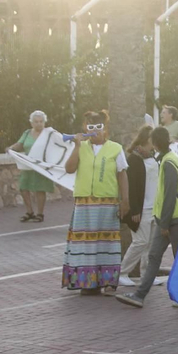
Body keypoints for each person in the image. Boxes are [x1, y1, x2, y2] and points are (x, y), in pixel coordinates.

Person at [116, 126, 178, 309]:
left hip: (174, 219)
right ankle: (139, 295)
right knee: (153, 256)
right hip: (166, 219)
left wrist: (164, 223)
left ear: (156, 143)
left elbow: (169, 195)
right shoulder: (167, 159)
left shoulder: (168, 162)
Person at [61, 110, 128, 296]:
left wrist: (125, 201)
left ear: (105, 129)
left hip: (107, 203)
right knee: (85, 245)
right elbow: (69, 168)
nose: (95, 131)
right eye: (90, 127)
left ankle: (107, 281)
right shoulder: (81, 147)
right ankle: (87, 282)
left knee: (105, 244)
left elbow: (122, 175)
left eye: (98, 127)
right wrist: (76, 146)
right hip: (85, 205)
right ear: (85, 128)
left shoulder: (115, 148)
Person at [119, 126, 156, 284]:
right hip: (142, 208)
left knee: (150, 244)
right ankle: (122, 273)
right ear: (147, 139)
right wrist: (134, 209)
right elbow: (131, 187)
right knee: (140, 242)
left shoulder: (154, 156)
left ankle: (146, 275)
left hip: (154, 206)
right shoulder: (134, 159)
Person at [8, 110, 53, 222]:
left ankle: (40, 214)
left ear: (44, 122)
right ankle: (29, 212)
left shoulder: (49, 134)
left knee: (40, 189)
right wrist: (11, 148)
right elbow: (20, 144)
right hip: (28, 165)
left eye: (41, 121)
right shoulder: (27, 133)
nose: (39, 124)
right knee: (23, 187)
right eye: (36, 121)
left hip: (41, 166)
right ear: (31, 123)